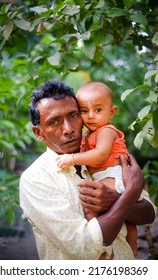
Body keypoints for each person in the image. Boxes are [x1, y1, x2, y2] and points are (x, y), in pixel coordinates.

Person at [19, 79, 155, 260]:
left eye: (73, 115)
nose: (68, 129)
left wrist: (114, 199)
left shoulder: (103, 155)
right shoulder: (36, 178)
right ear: (39, 133)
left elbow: (148, 214)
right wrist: (128, 196)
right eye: (54, 122)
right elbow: (83, 247)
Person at [55, 81, 137, 256]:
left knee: (92, 207)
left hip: (114, 174)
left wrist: (72, 159)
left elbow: (100, 155)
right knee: (127, 210)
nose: (90, 116)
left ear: (111, 112)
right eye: (84, 111)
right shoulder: (88, 133)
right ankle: (130, 242)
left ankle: (101, 247)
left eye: (98, 110)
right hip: (104, 175)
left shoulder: (107, 131)